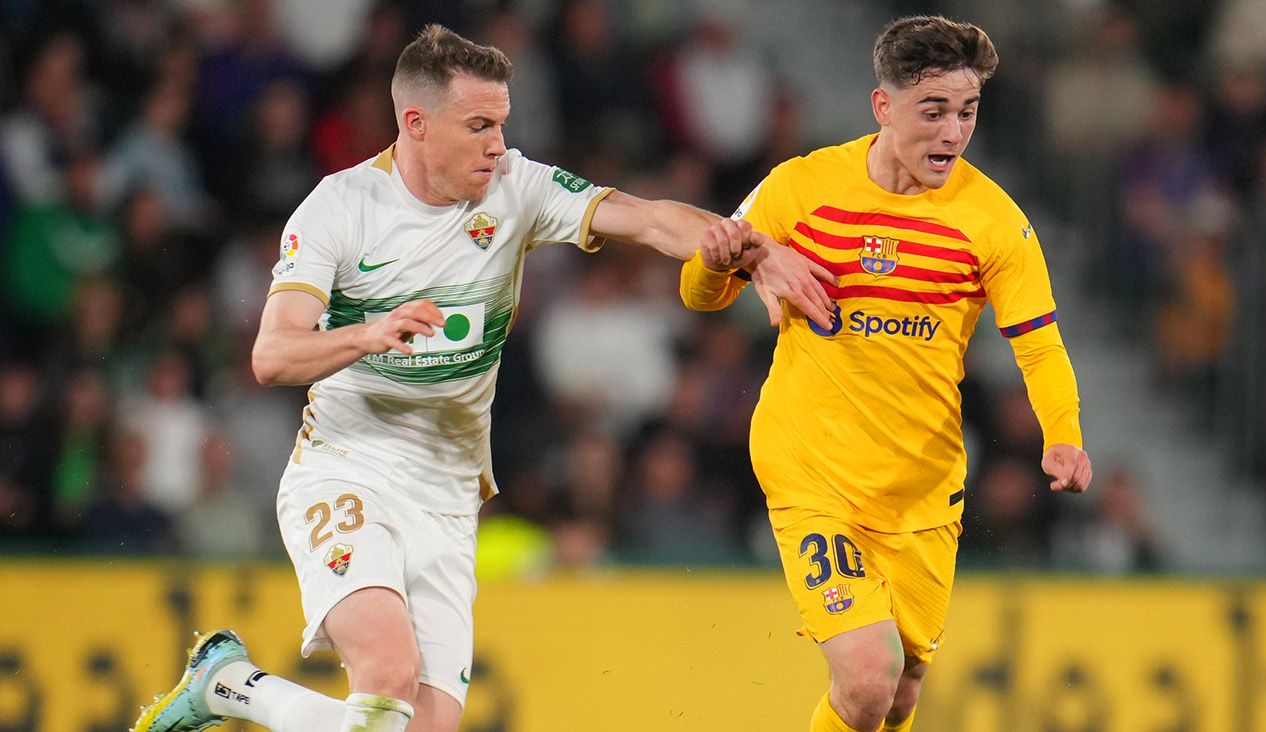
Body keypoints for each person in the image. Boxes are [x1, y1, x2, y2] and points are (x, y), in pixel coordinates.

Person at [133, 24, 832, 732]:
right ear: (416, 123)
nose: (498, 144)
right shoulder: (338, 209)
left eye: (501, 123)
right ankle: (232, 686)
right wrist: (368, 333)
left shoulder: (515, 186)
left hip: (449, 494)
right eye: (478, 126)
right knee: (387, 676)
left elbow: (647, 219)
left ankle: (228, 682)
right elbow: (271, 355)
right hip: (347, 472)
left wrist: (749, 249)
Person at [680, 15, 1092, 732]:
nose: (952, 132)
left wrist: (1064, 434)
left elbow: (1039, 342)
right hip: (813, 472)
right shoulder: (802, 187)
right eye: (933, 111)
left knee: (897, 696)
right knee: (870, 678)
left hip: (922, 488)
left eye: (966, 112)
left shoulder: (993, 220)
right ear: (883, 107)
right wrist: (717, 261)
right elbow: (698, 292)